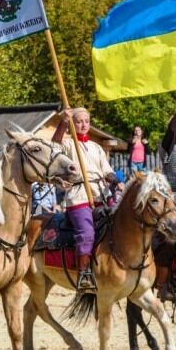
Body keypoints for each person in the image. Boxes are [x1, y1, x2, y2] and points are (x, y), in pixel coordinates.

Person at [52, 107, 116, 293]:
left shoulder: (96, 147)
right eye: (79, 121)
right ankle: (84, 272)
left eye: (86, 121)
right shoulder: (68, 145)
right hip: (78, 195)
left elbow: (107, 170)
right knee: (87, 232)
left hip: (100, 194)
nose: (83, 124)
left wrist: (114, 179)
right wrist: (64, 122)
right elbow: (55, 144)